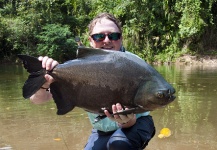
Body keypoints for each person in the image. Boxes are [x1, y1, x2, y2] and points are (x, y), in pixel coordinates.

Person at [30, 12, 155, 150]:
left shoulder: (136, 64)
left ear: (121, 38)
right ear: (90, 40)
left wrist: (127, 121)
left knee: (119, 144)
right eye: (99, 36)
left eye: (113, 36)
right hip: (101, 130)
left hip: (137, 123)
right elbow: (37, 100)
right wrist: (45, 82)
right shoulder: (77, 68)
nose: (106, 40)